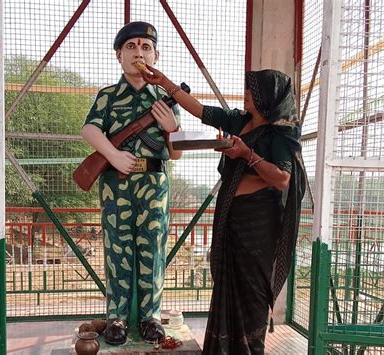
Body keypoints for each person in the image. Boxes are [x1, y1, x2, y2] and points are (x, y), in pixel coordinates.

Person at [139, 66, 306, 354]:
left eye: (252, 91)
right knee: (227, 289)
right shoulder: (239, 120)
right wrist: (165, 83)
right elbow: (202, 111)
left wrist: (247, 154)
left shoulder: (281, 134)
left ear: (268, 96)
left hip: (259, 224)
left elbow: (282, 179)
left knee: (252, 291)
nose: (246, 95)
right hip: (232, 216)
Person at [81, 21, 182, 345]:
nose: (139, 52)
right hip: (116, 182)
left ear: (156, 55)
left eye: (146, 46)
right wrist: (112, 154)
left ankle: (151, 317)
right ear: (118, 55)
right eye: (132, 46)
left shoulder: (166, 99)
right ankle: (117, 319)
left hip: (154, 184)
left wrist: (172, 128)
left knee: (152, 251)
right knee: (117, 249)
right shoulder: (108, 95)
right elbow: (90, 130)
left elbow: (175, 155)